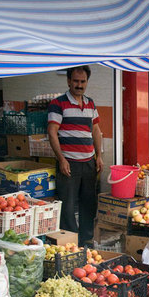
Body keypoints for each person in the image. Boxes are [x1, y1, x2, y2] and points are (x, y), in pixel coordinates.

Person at [47, 65, 103, 246]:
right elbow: (52, 132)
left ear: (87, 82)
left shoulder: (90, 103)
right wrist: (61, 159)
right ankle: (70, 243)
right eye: (76, 81)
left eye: (83, 81)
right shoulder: (58, 103)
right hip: (68, 163)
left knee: (89, 204)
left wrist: (99, 156)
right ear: (69, 81)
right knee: (68, 206)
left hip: (89, 163)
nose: (79, 85)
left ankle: (86, 240)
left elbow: (96, 130)